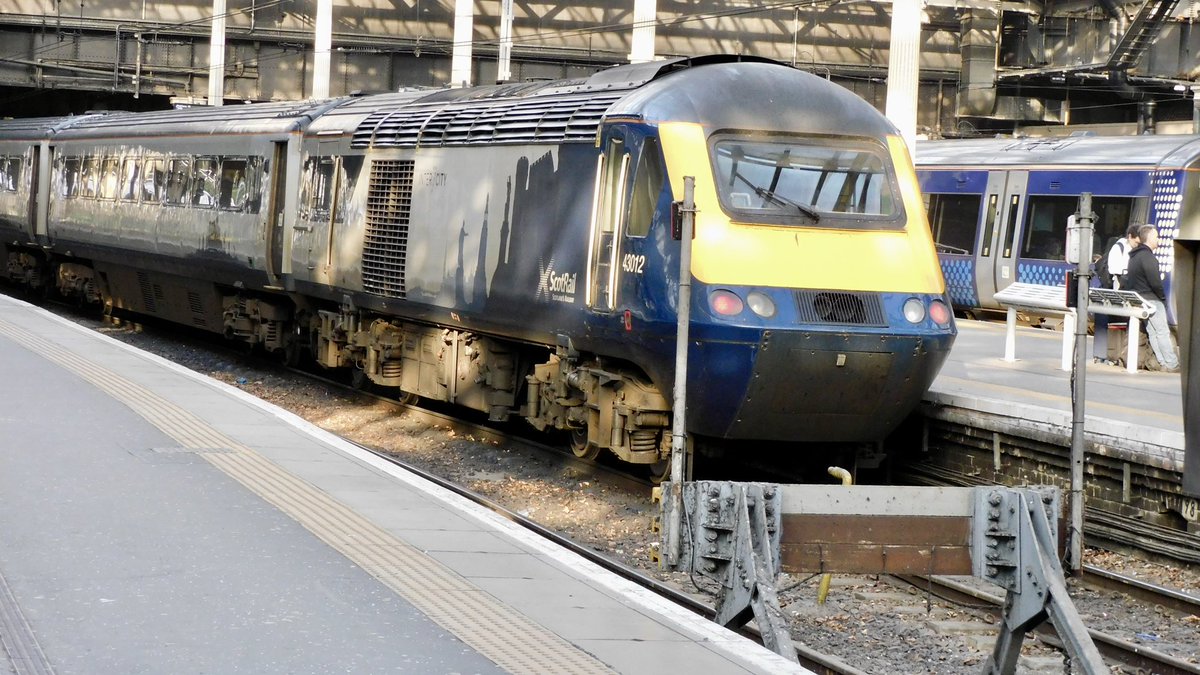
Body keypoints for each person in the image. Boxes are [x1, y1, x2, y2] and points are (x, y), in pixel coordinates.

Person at [1123, 224, 1179, 372]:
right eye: (1156, 236)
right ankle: (1171, 364)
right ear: (1148, 238)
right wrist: (1162, 298)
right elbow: (1155, 282)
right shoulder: (1148, 257)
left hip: (1140, 299)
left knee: (1153, 333)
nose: (1158, 239)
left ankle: (1163, 362)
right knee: (1162, 332)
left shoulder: (1134, 257)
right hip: (1152, 299)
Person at [1107, 223, 1142, 288]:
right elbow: (1113, 270)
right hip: (1120, 287)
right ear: (1130, 236)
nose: (1137, 245)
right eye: (1136, 242)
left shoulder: (1139, 249)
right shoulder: (1118, 248)